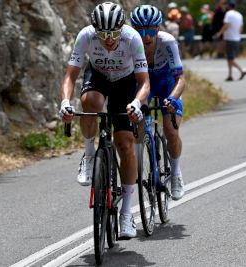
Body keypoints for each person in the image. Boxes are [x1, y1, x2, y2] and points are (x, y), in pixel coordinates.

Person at [59, 2, 150, 239]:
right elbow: (70, 75)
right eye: (103, 34)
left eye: (113, 34)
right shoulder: (85, 37)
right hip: (98, 76)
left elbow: (144, 83)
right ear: (94, 30)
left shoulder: (132, 39)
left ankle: (126, 213)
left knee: (126, 144)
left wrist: (136, 104)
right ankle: (90, 157)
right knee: (90, 102)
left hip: (125, 83)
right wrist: (65, 103)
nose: (108, 40)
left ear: (122, 28)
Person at [130, 5, 186, 200]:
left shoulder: (168, 42)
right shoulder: (130, 44)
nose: (146, 37)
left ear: (158, 29)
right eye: (141, 31)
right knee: (138, 123)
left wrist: (172, 98)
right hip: (144, 84)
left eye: (151, 31)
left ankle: (176, 172)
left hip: (167, 84)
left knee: (171, 131)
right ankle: (143, 165)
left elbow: (181, 79)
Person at [214, 0, 246, 81]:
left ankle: (241, 70)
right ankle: (230, 75)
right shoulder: (239, 15)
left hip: (230, 38)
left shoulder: (228, 14)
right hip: (236, 38)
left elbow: (226, 25)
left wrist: (219, 33)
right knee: (230, 58)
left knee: (230, 58)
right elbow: (241, 28)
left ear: (229, 6)